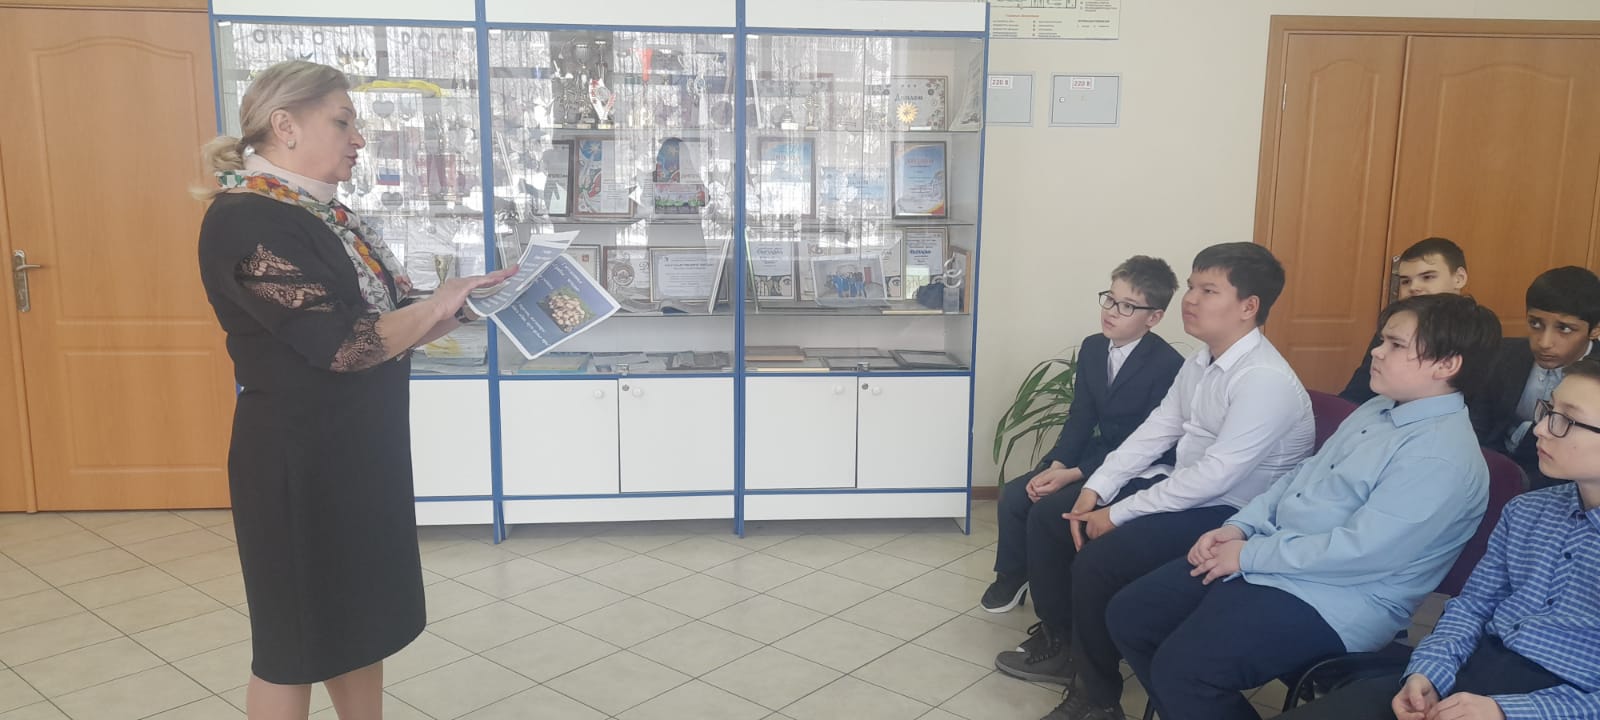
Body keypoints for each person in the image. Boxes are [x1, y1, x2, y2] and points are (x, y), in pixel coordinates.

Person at [196, 61, 514, 720]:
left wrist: (464, 305)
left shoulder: (323, 213)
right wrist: (436, 305)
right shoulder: (244, 219)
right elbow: (344, 344)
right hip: (298, 463)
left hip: (360, 451)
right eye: (343, 122)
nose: (359, 139)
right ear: (285, 126)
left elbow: (387, 326)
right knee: (294, 645)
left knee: (359, 624)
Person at [1107, 293, 1502, 720]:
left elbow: (1362, 552)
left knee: (1186, 670)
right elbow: (1300, 476)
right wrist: (1240, 527)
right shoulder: (1379, 408)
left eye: (1395, 345)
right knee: (1132, 615)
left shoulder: (1440, 456)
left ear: (1447, 365)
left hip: (1336, 600)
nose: (1376, 352)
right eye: (1382, 340)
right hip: (1276, 558)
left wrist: (1248, 555)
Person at [995, 242, 1316, 720]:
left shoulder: (1264, 379)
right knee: (1059, 519)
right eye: (1191, 286)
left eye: (1208, 290)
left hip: (1234, 515)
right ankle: (1070, 652)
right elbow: (1158, 430)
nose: (1191, 299)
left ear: (1248, 307)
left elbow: (1216, 476)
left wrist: (1116, 513)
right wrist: (1098, 488)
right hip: (1189, 492)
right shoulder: (1203, 361)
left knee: (1097, 562)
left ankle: (1098, 699)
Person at [1277, 358, 1600, 720]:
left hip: (1561, 704)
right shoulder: (1527, 511)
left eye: (1566, 420)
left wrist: (1506, 711)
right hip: (1472, 674)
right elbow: (1473, 606)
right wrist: (1429, 673)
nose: (1540, 428)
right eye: (1548, 410)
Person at [984, 256, 1185, 613]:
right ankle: (1013, 575)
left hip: (1138, 465)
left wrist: (1074, 475)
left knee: (1052, 510)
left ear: (1153, 317)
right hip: (1095, 451)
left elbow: (1143, 443)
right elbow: (1081, 416)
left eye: (1127, 306)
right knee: (1017, 494)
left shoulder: (1168, 365)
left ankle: (1055, 610)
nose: (1111, 311)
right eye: (1110, 299)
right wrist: (1058, 464)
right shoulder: (1093, 347)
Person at [1471, 266, 1600, 490]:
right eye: (1535, 324)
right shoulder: (1503, 354)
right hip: (1490, 472)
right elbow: (1478, 426)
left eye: (1564, 329)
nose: (1544, 342)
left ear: (1595, 330)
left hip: (1563, 487)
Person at [1340, 237, 1469, 404]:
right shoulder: (1394, 328)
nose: (1413, 287)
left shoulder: (1478, 336)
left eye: (1427, 277)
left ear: (1459, 278)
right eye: (1406, 281)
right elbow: (1357, 393)